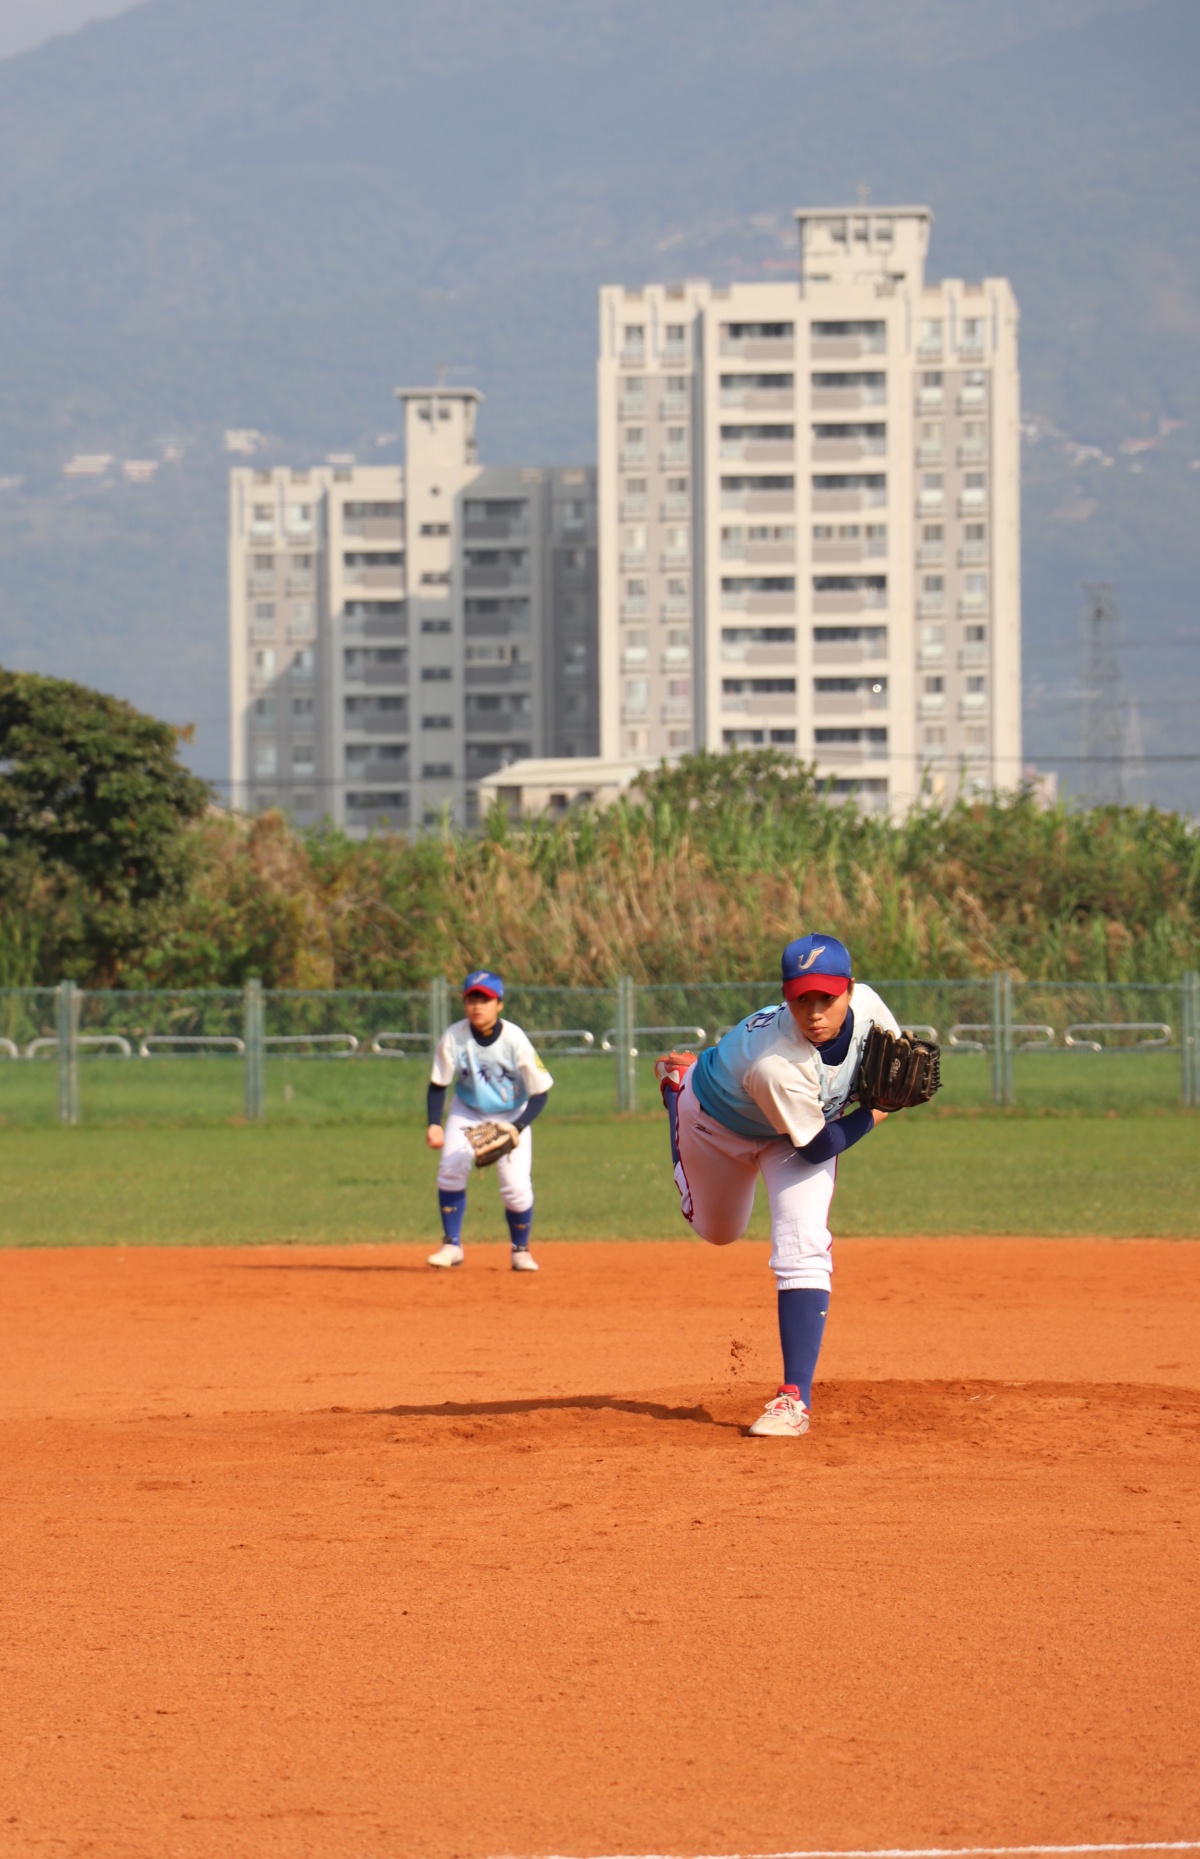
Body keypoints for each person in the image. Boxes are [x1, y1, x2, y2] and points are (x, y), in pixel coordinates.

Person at [655, 933, 897, 1436]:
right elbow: (818, 1147)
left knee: (803, 1243)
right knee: (719, 1232)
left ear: (850, 990)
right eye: (800, 998)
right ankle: (676, 1090)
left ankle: (793, 1400)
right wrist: (880, 1108)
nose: (814, 1012)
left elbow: (891, 1066)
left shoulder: (873, 1013)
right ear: (785, 994)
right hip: (718, 1127)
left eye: (826, 997)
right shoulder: (776, 1062)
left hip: (795, 1131)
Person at [426, 969, 554, 1273]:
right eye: (472, 998)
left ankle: (520, 1251)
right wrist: (434, 1123)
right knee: (450, 1170)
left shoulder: (515, 1039)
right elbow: (438, 1084)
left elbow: (541, 1092)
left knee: (515, 1187)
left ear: (499, 1004)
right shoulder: (454, 1037)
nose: (477, 1006)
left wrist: (517, 1127)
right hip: (468, 1110)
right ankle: (451, 1245)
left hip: (512, 1113)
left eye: (485, 999)